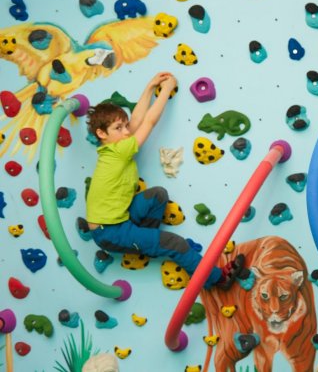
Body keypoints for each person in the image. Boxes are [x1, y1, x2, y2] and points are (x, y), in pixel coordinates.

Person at [85, 72, 245, 290]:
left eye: (124, 126)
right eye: (118, 128)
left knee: (157, 195)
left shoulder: (113, 146)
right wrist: (167, 89)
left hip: (119, 219)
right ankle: (218, 279)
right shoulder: (119, 150)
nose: (126, 131)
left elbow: (136, 121)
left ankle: (147, 241)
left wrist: (150, 86)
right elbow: (148, 122)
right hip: (109, 232)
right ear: (101, 133)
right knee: (176, 244)